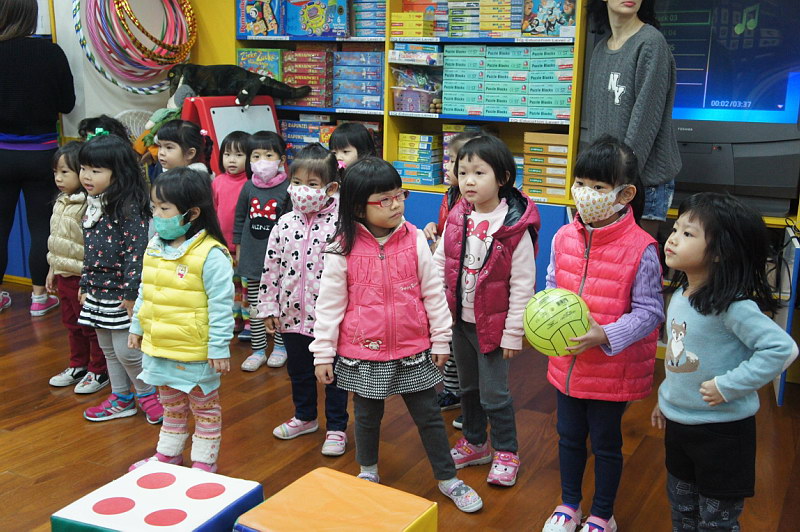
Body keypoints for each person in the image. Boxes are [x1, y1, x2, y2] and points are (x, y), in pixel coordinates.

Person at [310, 157, 483, 513]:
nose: (395, 205)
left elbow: (433, 293)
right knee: (366, 417)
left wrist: (440, 339)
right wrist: (323, 353)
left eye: (399, 195)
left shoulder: (415, 239)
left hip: (413, 349)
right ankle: (368, 471)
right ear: (358, 207)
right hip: (364, 352)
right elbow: (328, 305)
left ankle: (447, 478)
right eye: (384, 200)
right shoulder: (341, 247)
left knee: (430, 417)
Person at [652, 193, 797, 531]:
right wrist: (666, 398)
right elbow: (678, 358)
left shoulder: (734, 306)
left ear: (720, 251)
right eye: (675, 229)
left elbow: (782, 349)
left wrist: (728, 385)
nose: (673, 238)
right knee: (682, 510)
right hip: (680, 425)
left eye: (688, 233)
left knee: (716, 520)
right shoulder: (681, 295)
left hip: (723, 434)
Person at [541, 136, 664, 532]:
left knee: (607, 444)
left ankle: (602, 514)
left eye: (598, 186)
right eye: (580, 183)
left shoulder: (642, 248)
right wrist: (543, 315)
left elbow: (650, 312)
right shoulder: (563, 237)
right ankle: (569, 505)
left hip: (612, 368)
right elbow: (553, 285)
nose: (585, 193)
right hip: (567, 362)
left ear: (624, 194)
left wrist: (606, 334)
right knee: (568, 437)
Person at [433, 134, 539, 488]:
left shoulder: (513, 227)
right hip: (459, 323)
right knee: (468, 387)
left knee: (494, 394)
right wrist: (437, 314)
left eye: (479, 173)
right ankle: (475, 442)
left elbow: (522, 285)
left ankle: (506, 451)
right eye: (463, 173)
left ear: (503, 178)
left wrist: (513, 333)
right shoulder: (457, 216)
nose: (469, 181)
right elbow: (440, 263)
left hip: (492, 326)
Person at [129, 167, 234, 473]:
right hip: (160, 346)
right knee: (171, 407)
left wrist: (218, 347)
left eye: (164, 209)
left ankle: (204, 461)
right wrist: (137, 326)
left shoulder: (211, 254)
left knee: (205, 409)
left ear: (192, 213)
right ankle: (168, 455)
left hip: (195, 352)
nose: (157, 215)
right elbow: (145, 290)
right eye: (154, 208)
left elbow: (221, 306)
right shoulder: (154, 246)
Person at [256, 143, 349, 455]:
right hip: (291, 314)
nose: (302, 190)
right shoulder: (284, 223)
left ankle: (336, 427)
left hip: (330, 320)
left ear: (330, 188)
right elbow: (271, 266)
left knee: (334, 375)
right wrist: (268, 306)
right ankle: (305, 416)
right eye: (296, 182)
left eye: (312, 184)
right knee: (298, 371)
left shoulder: (341, 224)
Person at [77, 133, 163, 424]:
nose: (86, 176)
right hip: (97, 289)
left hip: (122, 292)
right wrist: (85, 284)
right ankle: (121, 397)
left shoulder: (129, 207)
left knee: (127, 351)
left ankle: (148, 395)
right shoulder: (94, 203)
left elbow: (136, 254)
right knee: (107, 349)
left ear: (119, 173)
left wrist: (130, 294)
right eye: (84, 168)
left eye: (95, 170)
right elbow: (89, 250)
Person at [0, 0, 75, 315]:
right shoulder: (51, 52)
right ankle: (40, 298)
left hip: (1, 154)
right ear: (32, 15)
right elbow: (67, 104)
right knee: (41, 226)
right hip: (43, 155)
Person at [584, 0, 681, 236]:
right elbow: (595, 123)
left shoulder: (651, 43)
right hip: (608, 183)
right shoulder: (600, 50)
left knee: (637, 258)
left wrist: (619, 183)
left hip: (642, 184)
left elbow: (645, 122)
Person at [422, 130, 483, 423]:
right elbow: (447, 228)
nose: (447, 167)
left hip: (466, 282)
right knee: (449, 340)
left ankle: (475, 401)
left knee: (468, 349)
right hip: (447, 277)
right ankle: (452, 391)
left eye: (452, 161)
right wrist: (434, 228)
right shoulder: (450, 194)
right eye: (449, 161)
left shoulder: (474, 203)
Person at [45, 141, 109, 394]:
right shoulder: (61, 201)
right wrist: (52, 269)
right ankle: (77, 365)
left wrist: (88, 279)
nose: (58, 178)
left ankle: (98, 370)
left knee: (90, 327)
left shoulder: (90, 205)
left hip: (82, 278)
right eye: (55, 172)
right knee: (71, 324)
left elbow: (92, 246)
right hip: (64, 275)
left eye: (65, 172)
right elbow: (57, 241)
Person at [234, 130, 291, 371]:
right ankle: (257, 349)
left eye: (269, 155)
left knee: (280, 304)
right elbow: (239, 219)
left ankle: (280, 346)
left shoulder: (289, 188)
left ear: (281, 160)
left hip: (280, 261)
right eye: (256, 156)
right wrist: (238, 248)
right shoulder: (248, 187)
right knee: (255, 306)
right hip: (252, 257)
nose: (262, 161)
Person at [212, 131, 250, 333]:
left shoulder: (250, 184)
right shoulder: (218, 181)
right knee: (229, 286)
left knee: (247, 287)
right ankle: (234, 319)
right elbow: (213, 211)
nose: (232, 160)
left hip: (245, 248)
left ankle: (251, 322)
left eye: (238, 155)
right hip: (223, 247)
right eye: (227, 154)